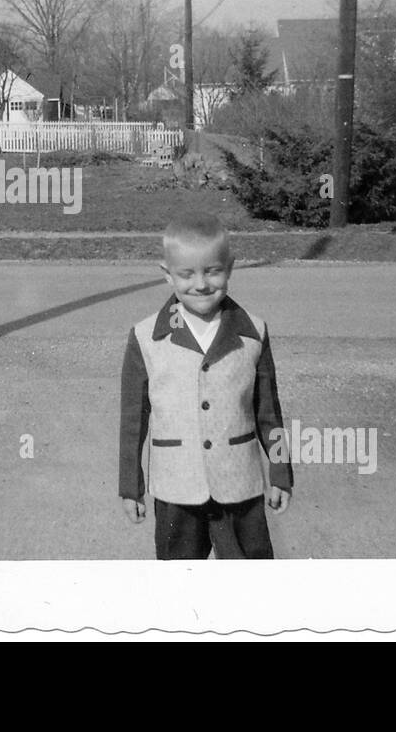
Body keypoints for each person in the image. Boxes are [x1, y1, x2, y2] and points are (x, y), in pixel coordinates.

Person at [118, 212, 293, 559]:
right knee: (178, 585)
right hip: (176, 488)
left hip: (239, 485)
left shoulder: (253, 332)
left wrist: (280, 472)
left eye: (212, 271)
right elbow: (132, 421)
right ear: (167, 275)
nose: (200, 284)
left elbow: (268, 413)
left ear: (229, 267)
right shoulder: (145, 337)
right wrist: (130, 487)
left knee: (250, 583)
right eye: (186, 274)